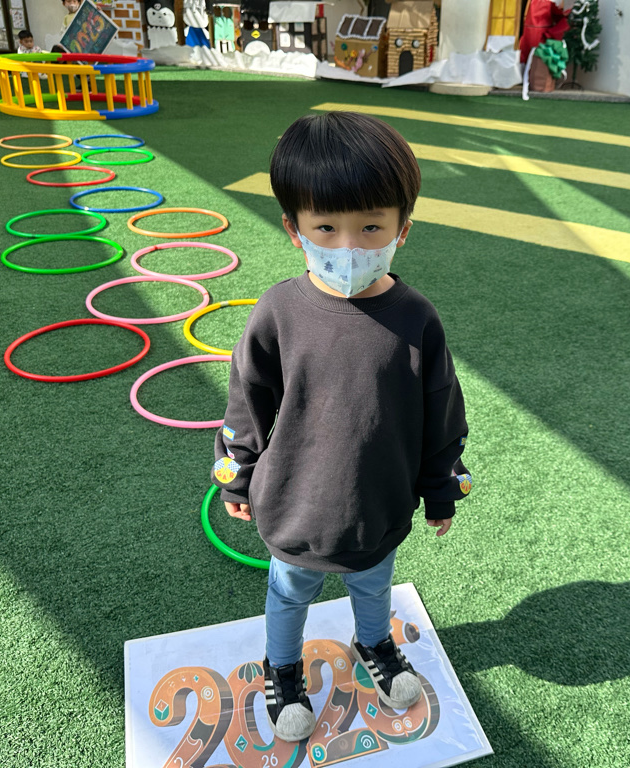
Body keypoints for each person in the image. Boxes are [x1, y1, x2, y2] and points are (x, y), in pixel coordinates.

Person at [211, 111, 472, 743]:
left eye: (371, 227)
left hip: (378, 500)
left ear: (402, 228)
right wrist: (237, 477)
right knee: (289, 591)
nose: (350, 247)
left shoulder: (416, 318)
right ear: (294, 228)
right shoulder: (278, 311)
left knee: (373, 584)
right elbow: (248, 401)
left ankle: (375, 644)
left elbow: (441, 411)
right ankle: (281, 668)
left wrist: (442, 489)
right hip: (295, 502)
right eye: (326, 227)